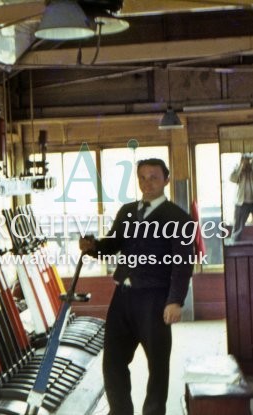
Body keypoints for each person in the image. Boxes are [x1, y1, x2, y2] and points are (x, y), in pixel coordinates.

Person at [79, 158, 194, 415]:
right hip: (123, 298)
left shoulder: (179, 218)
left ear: (166, 179)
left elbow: (183, 263)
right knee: (112, 362)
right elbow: (113, 244)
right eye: (142, 177)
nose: (147, 183)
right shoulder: (127, 211)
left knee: (157, 365)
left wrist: (175, 300)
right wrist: (94, 246)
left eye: (153, 177)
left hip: (156, 299)